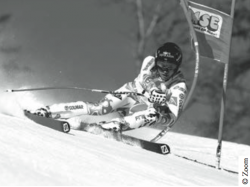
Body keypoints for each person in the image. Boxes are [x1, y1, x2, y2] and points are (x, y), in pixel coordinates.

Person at [29, 42, 187, 132]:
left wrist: (162, 112)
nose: (165, 70)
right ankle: (49, 111)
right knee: (100, 109)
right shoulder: (150, 61)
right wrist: (153, 90)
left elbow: (171, 119)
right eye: (162, 65)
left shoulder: (178, 86)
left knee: (152, 115)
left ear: (177, 66)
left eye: (170, 66)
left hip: (143, 108)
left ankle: (109, 127)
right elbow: (145, 77)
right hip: (130, 93)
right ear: (157, 61)